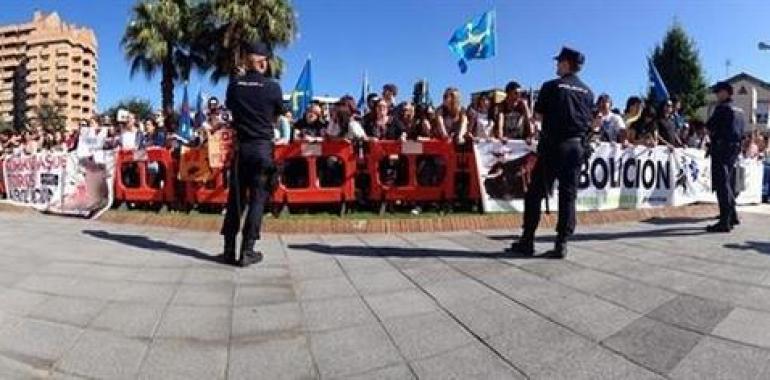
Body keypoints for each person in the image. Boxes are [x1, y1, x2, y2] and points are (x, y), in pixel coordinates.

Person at [509, 47, 594, 259]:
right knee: (568, 196)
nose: (556, 65)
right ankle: (561, 244)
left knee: (535, 192)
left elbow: (537, 118)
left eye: (559, 62)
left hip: (554, 146)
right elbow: (589, 124)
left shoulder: (551, 86)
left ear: (566, 64)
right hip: (576, 148)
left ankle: (527, 240)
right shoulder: (588, 92)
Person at [221, 41, 284, 267]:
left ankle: (228, 250)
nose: (265, 63)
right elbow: (278, 113)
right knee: (257, 200)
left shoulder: (234, 86)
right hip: (262, 148)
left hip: (242, 149)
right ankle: (247, 251)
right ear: (260, 61)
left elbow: (231, 109)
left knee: (235, 200)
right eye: (264, 60)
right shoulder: (273, 87)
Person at [706, 81, 745, 232]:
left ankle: (724, 221)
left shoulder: (722, 108)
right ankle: (732, 216)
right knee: (728, 182)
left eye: (719, 92)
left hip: (721, 148)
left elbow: (710, 126)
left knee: (722, 184)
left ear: (727, 92)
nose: (717, 95)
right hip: (734, 149)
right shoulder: (740, 111)